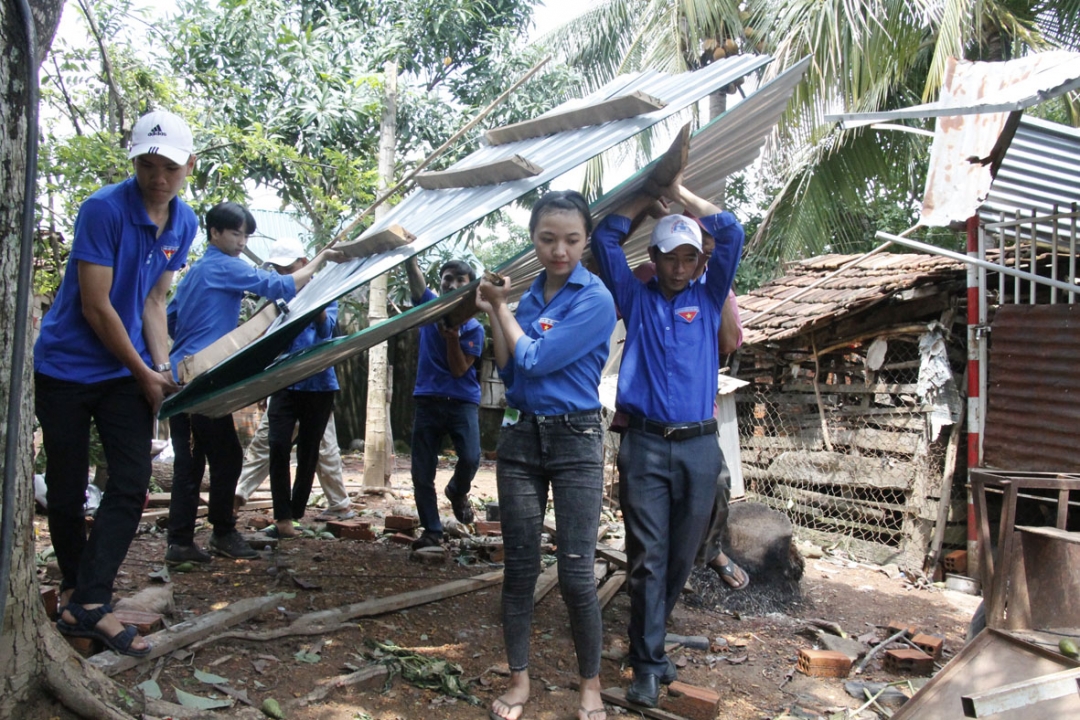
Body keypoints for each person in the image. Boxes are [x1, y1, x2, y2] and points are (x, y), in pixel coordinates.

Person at [35, 110, 199, 656]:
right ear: (134, 162)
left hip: (123, 367)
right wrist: (142, 372)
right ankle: (86, 603)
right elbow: (95, 304)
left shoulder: (186, 222)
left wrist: (162, 368)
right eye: (147, 164)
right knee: (65, 488)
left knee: (131, 482)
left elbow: (155, 300)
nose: (158, 176)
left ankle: (86, 601)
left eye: (169, 166)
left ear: (189, 166)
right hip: (64, 367)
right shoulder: (103, 209)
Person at [590, 177, 744, 708]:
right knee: (647, 558)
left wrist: (682, 195)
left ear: (700, 261)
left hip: (700, 448)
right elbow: (604, 239)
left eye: (688, 257)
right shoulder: (636, 298)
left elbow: (732, 230)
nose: (679, 267)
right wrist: (646, 201)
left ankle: (650, 650)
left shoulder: (710, 297)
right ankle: (647, 663)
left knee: (680, 557)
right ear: (653, 258)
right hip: (647, 447)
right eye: (668, 257)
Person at [475, 190, 617, 720]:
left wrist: (501, 307)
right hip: (519, 439)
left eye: (572, 240)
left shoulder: (596, 299)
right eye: (547, 239)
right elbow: (510, 371)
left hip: (576, 440)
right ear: (534, 239)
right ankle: (519, 681)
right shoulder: (531, 297)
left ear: (585, 241)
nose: (560, 251)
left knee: (577, 572)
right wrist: (495, 310)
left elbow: (533, 359)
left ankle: (591, 687)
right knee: (521, 568)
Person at [166, 216, 338, 563]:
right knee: (226, 457)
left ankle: (182, 540)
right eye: (235, 233)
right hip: (203, 378)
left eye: (246, 235)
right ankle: (221, 532)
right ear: (215, 233)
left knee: (191, 460)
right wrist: (323, 260)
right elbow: (275, 285)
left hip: (181, 373)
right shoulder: (225, 266)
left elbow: (170, 317)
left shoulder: (194, 274)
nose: (242, 242)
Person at [630, 266, 749, 590]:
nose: (684, 265)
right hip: (649, 419)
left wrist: (719, 286)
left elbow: (728, 342)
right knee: (649, 520)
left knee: (718, 483)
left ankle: (708, 550)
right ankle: (649, 611)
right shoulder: (646, 278)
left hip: (696, 422)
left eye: (708, 253)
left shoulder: (715, 287)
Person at [404, 256, 484, 550]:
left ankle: (457, 491)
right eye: (447, 278)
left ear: (470, 287)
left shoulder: (475, 328)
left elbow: (460, 370)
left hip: (461, 402)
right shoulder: (429, 309)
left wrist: (452, 338)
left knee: (471, 458)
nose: (451, 284)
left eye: (460, 280)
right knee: (421, 471)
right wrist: (409, 259)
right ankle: (432, 531)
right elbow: (416, 286)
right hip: (427, 400)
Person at [263, 240, 341, 538]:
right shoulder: (278, 295)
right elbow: (270, 340)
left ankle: (294, 514)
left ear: (304, 262)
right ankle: (282, 516)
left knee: (309, 452)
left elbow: (326, 330)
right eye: (279, 268)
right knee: (278, 445)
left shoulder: (327, 290)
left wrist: (314, 302)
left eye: (288, 266)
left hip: (319, 383)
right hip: (284, 382)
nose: (284, 271)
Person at [234, 410, 355, 521]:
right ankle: (339, 503)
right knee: (324, 447)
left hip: (292, 391)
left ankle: (235, 499)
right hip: (318, 392)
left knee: (265, 445)